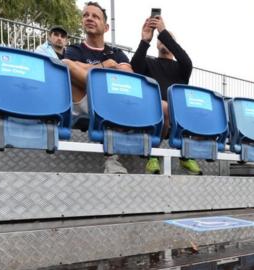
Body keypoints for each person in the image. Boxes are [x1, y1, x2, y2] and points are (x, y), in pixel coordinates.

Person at [62, 2, 133, 174]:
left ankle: (112, 159)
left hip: (111, 102)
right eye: (86, 15)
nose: (89, 19)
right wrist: (106, 66)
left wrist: (87, 69)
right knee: (65, 64)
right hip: (84, 102)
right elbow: (69, 66)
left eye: (95, 16)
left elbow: (128, 74)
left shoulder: (116, 53)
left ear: (106, 26)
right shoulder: (74, 49)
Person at [131, 14, 200, 175]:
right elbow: (134, 66)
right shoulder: (149, 62)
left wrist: (162, 31)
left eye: (167, 39)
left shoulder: (182, 68)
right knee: (164, 107)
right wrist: (145, 40)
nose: (163, 41)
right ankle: (153, 153)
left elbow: (186, 60)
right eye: (160, 39)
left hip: (179, 115)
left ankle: (186, 155)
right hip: (153, 112)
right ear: (156, 44)